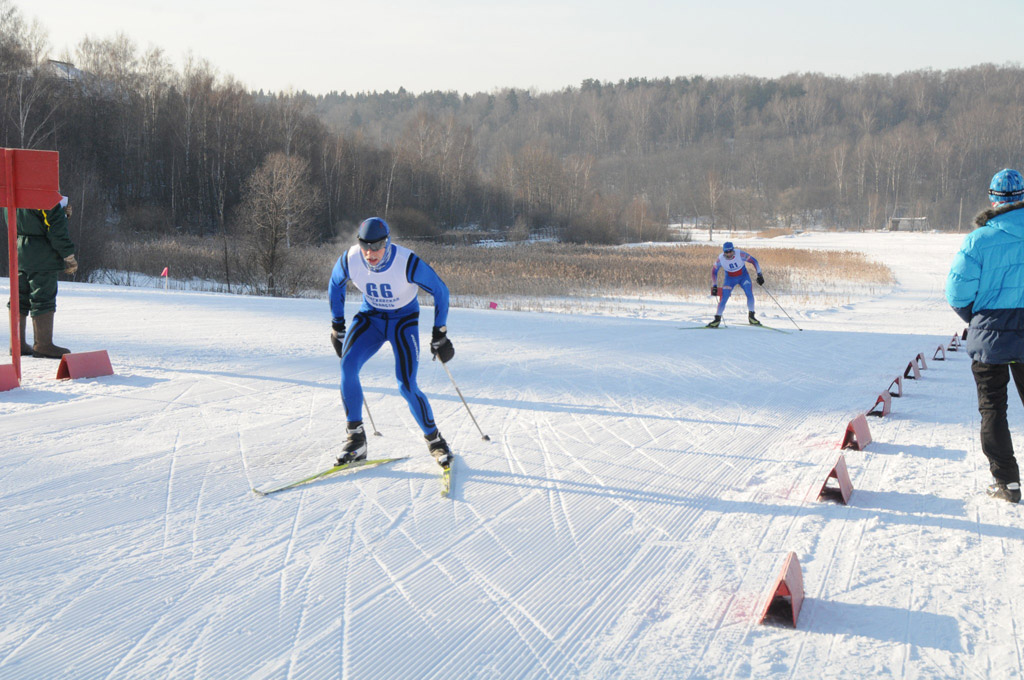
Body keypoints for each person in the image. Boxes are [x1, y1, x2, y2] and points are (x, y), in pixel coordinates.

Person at [327, 217, 455, 469]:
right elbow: (335, 283)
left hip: (403, 322)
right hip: (370, 319)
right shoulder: (352, 259)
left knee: (406, 384)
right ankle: (356, 440)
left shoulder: (406, 262)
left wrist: (439, 332)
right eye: (365, 245)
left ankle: (435, 441)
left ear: (387, 242)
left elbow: (440, 290)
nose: (370, 253)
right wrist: (337, 325)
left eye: (376, 246)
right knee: (347, 367)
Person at [947, 168, 1024, 503]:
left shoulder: (978, 240)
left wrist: (979, 320)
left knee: (993, 408)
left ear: (993, 199)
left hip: (990, 337)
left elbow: (956, 293)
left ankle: (1007, 483)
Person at [3, 196, 77, 358]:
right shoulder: (45, 195)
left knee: (19, 297)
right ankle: (43, 345)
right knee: (43, 298)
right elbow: (55, 228)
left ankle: (17, 344)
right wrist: (68, 255)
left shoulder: (11, 192)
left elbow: (26, 220)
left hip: (18, 252)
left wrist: (63, 214)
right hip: (43, 255)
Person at [706, 241, 765, 328]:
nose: (729, 254)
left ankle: (752, 317)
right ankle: (717, 319)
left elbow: (754, 261)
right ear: (723, 252)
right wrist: (714, 285)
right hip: (730, 279)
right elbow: (714, 271)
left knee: (749, 293)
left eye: (730, 251)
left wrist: (759, 275)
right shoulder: (720, 258)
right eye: (726, 252)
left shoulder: (740, 254)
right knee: (724, 297)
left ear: (733, 250)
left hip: (743, 277)